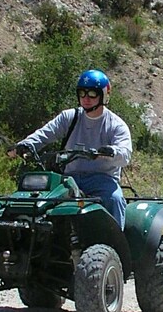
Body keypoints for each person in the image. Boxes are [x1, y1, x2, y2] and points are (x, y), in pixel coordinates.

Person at [9, 69, 133, 229]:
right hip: (68, 179)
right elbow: (44, 134)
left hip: (102, 180)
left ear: (104, 95)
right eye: (82, 93)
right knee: (38, 201)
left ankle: (115, 248)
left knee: (114, 199)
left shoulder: (116, 125)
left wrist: (111, 152)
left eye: (92, 94)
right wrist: (24, 145)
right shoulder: (70, 117)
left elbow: (125, 154)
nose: (86, 98)